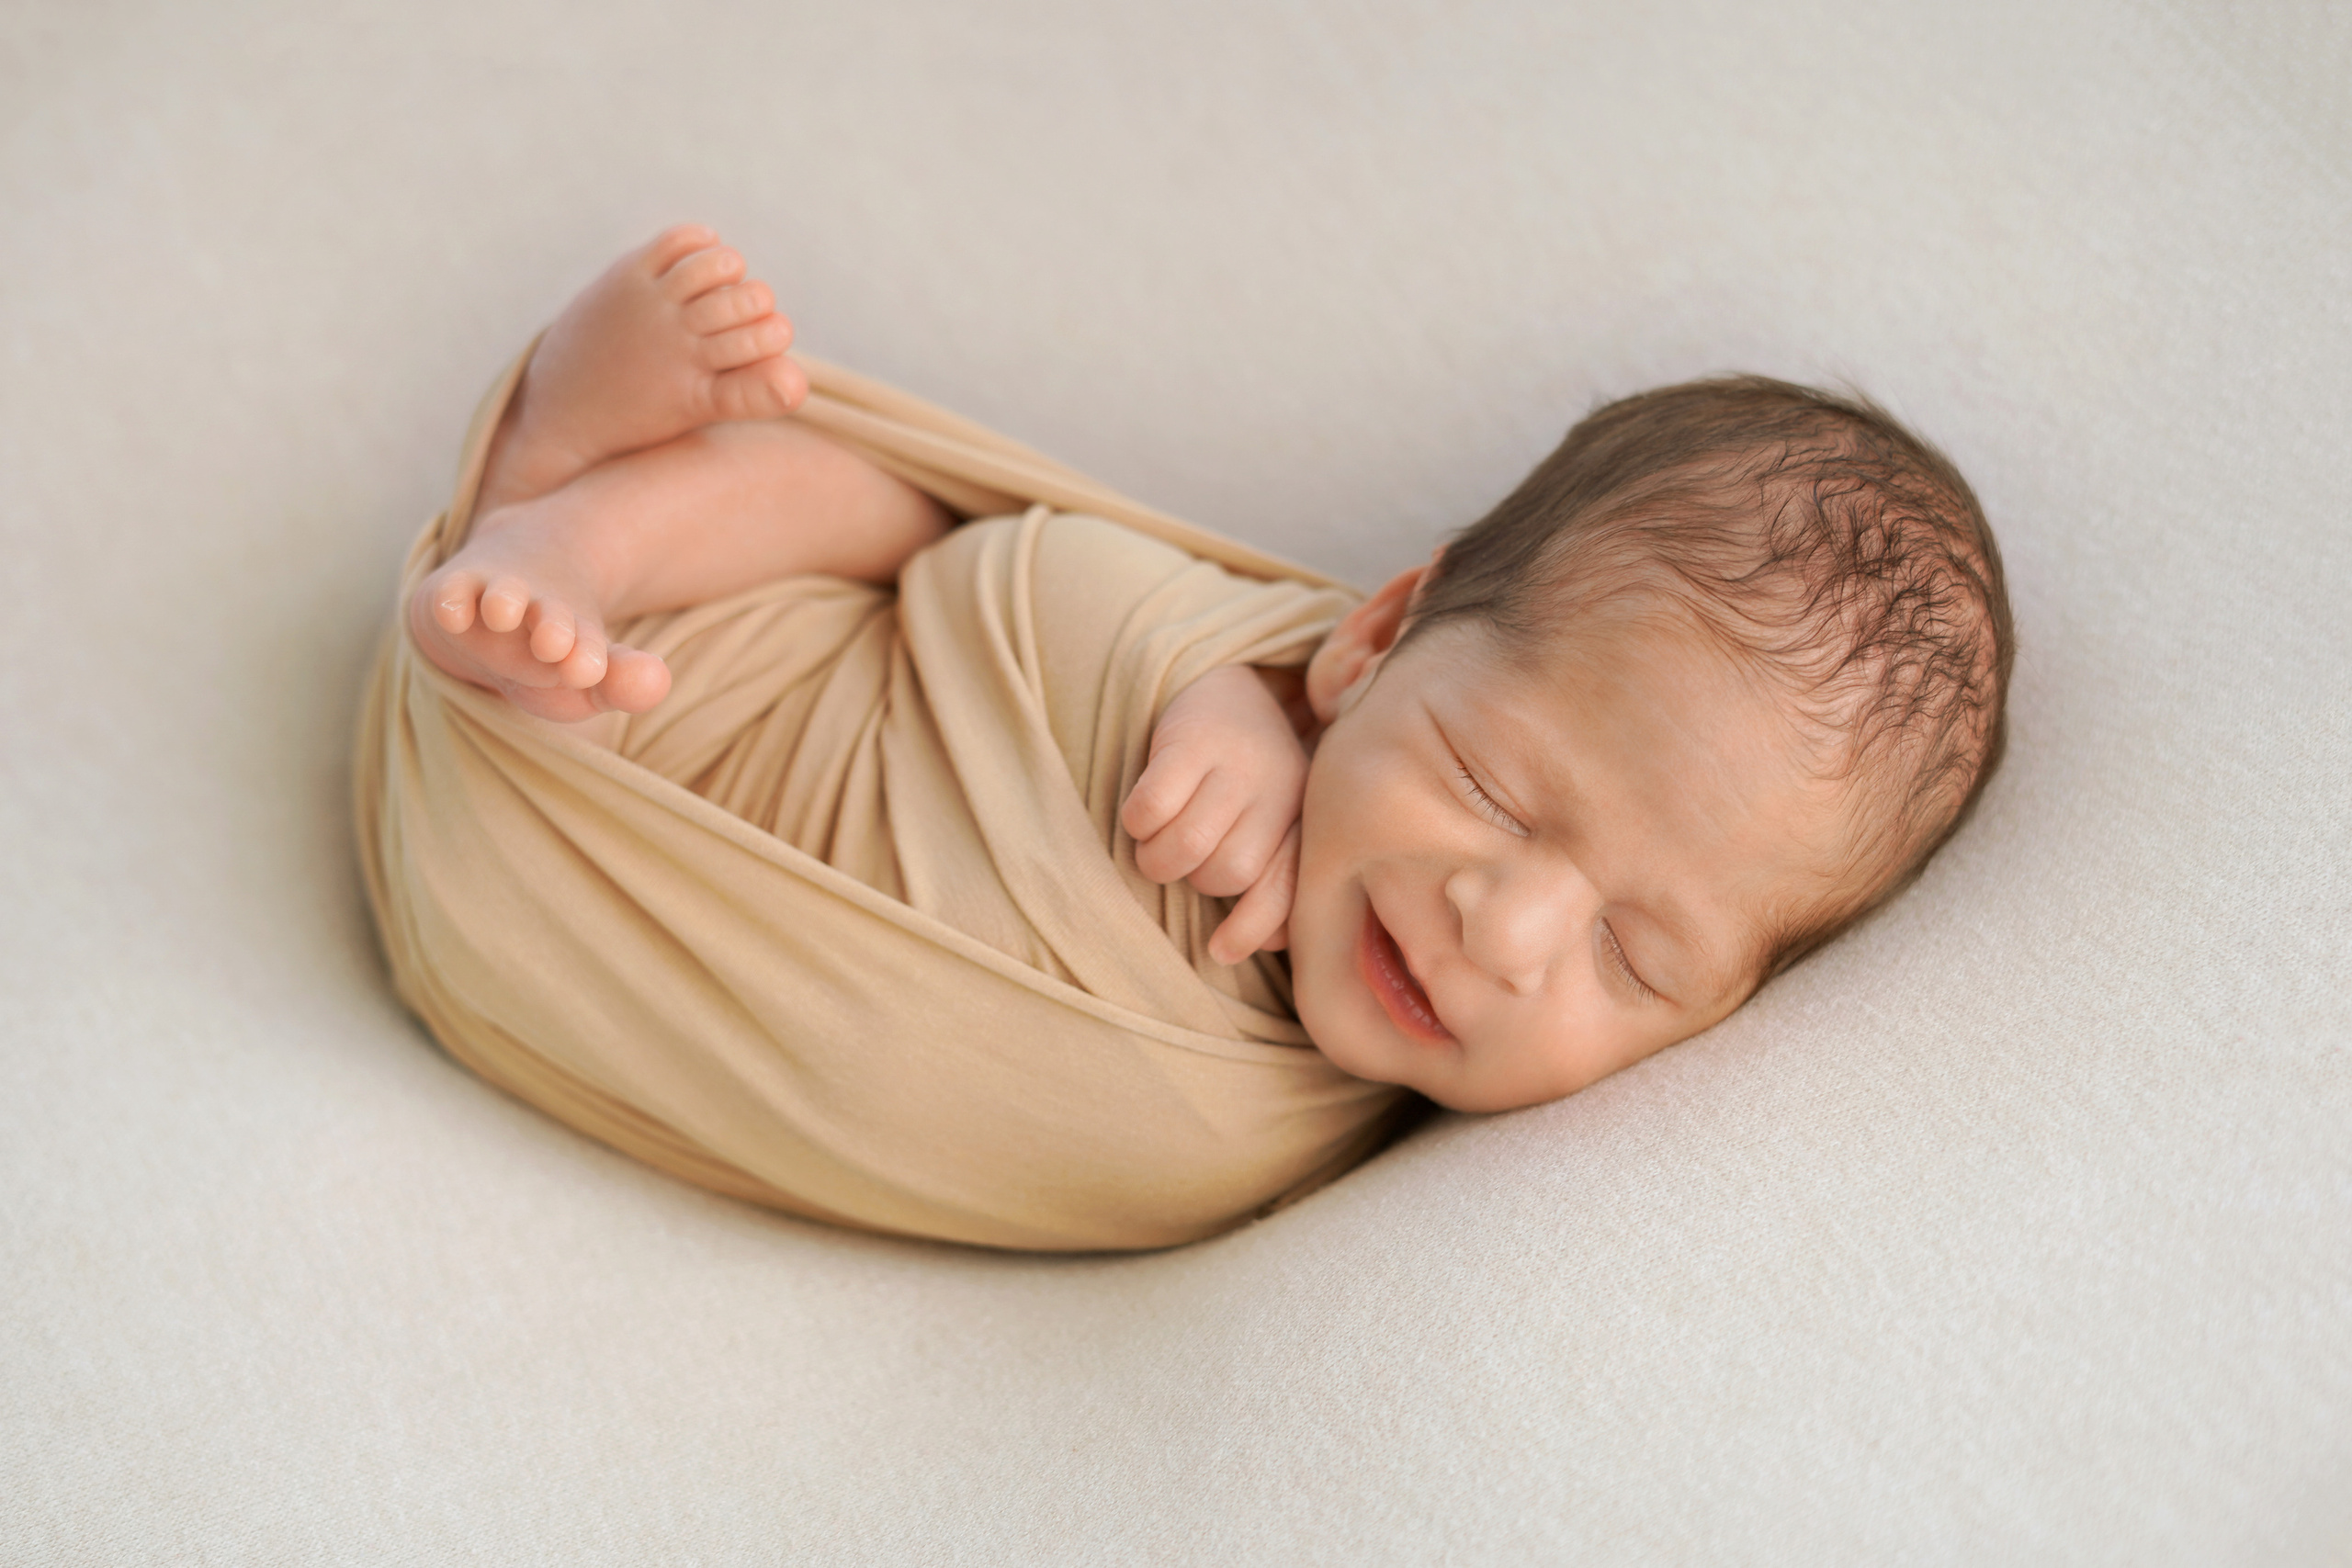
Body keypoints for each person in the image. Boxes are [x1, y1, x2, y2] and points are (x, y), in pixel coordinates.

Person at [406, 222, 2011, 1126]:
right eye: (1490, 788)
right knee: (895, 522)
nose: (1506, 931)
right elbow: (1026, 573)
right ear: (1377, 637)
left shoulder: (1380, 1119)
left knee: (550, 717)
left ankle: (547, 572)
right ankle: (571, 514)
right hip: (719, 694)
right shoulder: (1270, 686)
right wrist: (1219, 693)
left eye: (1642, 959)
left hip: (562, 930)